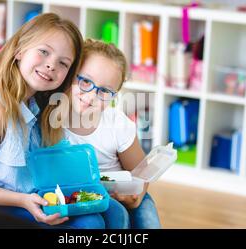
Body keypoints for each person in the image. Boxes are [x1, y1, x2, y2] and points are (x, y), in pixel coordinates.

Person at [0, 13, 105, 229]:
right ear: (19, 50)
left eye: (63, 63)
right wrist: (24, 201)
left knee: (112, 211)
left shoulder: (34, 103)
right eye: (44, 52)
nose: (51, 66)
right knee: (90, 224)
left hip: (19, 200)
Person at [41, 39, 161, 229]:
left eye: (104, 91)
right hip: (78, 198)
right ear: (71, 75)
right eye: (86, 81)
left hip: (118, 195)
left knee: (148, 219)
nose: (90, 97)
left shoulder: (117, 125)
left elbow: (142, 172)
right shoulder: (48, 118)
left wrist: (136, 198)